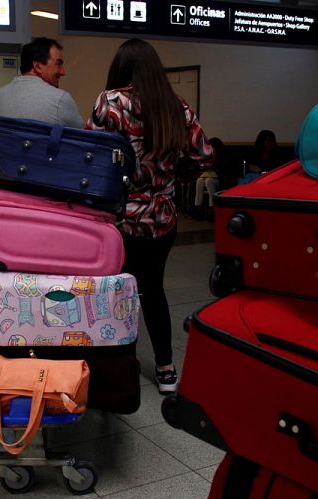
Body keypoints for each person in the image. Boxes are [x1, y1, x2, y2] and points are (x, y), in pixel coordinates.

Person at [86, 39, 214, 394]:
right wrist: (174, 176)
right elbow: (204, 156)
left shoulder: (110, 102)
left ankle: (120, 364)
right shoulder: (177, 107)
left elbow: (91, 155)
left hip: (120, 219)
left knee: (117, 291)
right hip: (163, 218)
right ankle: (167, 370)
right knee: (153, 290)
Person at [0, 37, 84, 128]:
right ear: (38, 66)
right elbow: (83, 139)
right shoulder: (60, 99)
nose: (63, 72)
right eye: (58, 64)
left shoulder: (0, 96)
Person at [193, 137, 225, 216]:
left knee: (208, 181)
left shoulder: (222, 156)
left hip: (220, 179)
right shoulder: (209, 154)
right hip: (210, 176)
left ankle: (212, 207)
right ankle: (198, 206)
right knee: (199, 181)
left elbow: (222, 171)